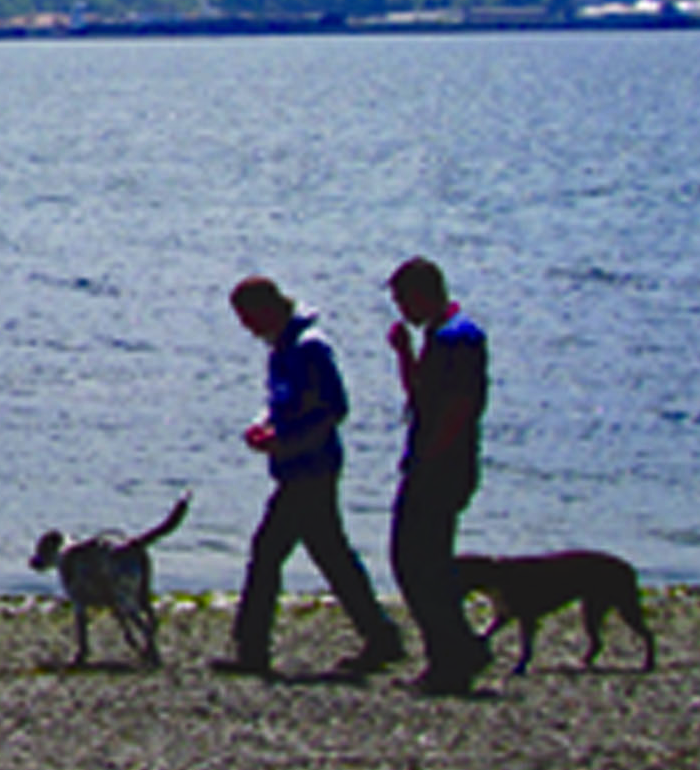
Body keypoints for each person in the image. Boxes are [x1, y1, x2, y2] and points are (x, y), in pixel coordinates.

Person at [212, 277, 405, 678]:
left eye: (248, 317)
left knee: (268, 552)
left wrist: (286, 441)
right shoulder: (281, 348)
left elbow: (334, 409)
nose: (246, 328)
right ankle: (381, 635)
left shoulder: (309, 347)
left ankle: (252, 648)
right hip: (295, 467)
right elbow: (279, 401)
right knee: (330, 553)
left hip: (311, 467)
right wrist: (263, 425)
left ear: (268, 308)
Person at [387, 255, 495, 695]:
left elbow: (458, 406)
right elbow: (423, 396)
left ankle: (454, 654)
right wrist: (404, 356)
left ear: (421, 293)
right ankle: (453, 649)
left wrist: (432, 458)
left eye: (401, 300)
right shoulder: (437, 336)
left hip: (441, 466)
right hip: (433, 462)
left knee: (418, 562)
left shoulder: (458, 338)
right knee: (418, 561)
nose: (400, 310)